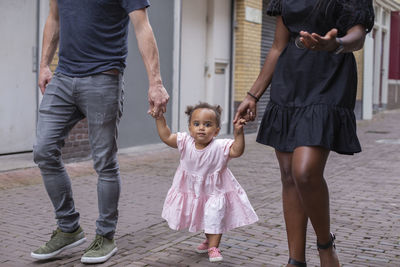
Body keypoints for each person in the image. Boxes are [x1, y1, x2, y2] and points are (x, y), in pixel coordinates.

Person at [234, 0, 374, 266]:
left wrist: (336, 44)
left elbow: (358, 37)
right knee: (288, 176)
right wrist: (253, 95)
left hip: (329, 79)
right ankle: (295, 260)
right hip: (290, 82)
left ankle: (325, 246)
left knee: (305, 171)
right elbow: (277, 46)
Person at [31, 0, 169, 264]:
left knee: (104, 161)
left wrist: (156, 82)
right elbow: (54, 18)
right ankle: (69, 227)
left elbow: (142, 27)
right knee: (43, 150)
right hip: (63, 77)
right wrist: (44, 65)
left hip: (103, 78)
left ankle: (105, 236)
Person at [153, 102, 258, 262]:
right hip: (192, 189)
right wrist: (159, 118)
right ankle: (209, 239)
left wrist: (238, 133)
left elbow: (237, 151)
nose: (201, 128)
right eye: (196, 124)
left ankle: (214, 247)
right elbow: (166, 136)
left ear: (216, 130)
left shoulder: (220, 146)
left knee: (214, 215)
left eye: (207, 125)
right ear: (189, 128)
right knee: (203, 214)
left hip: (215, 190)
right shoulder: (185, 142)